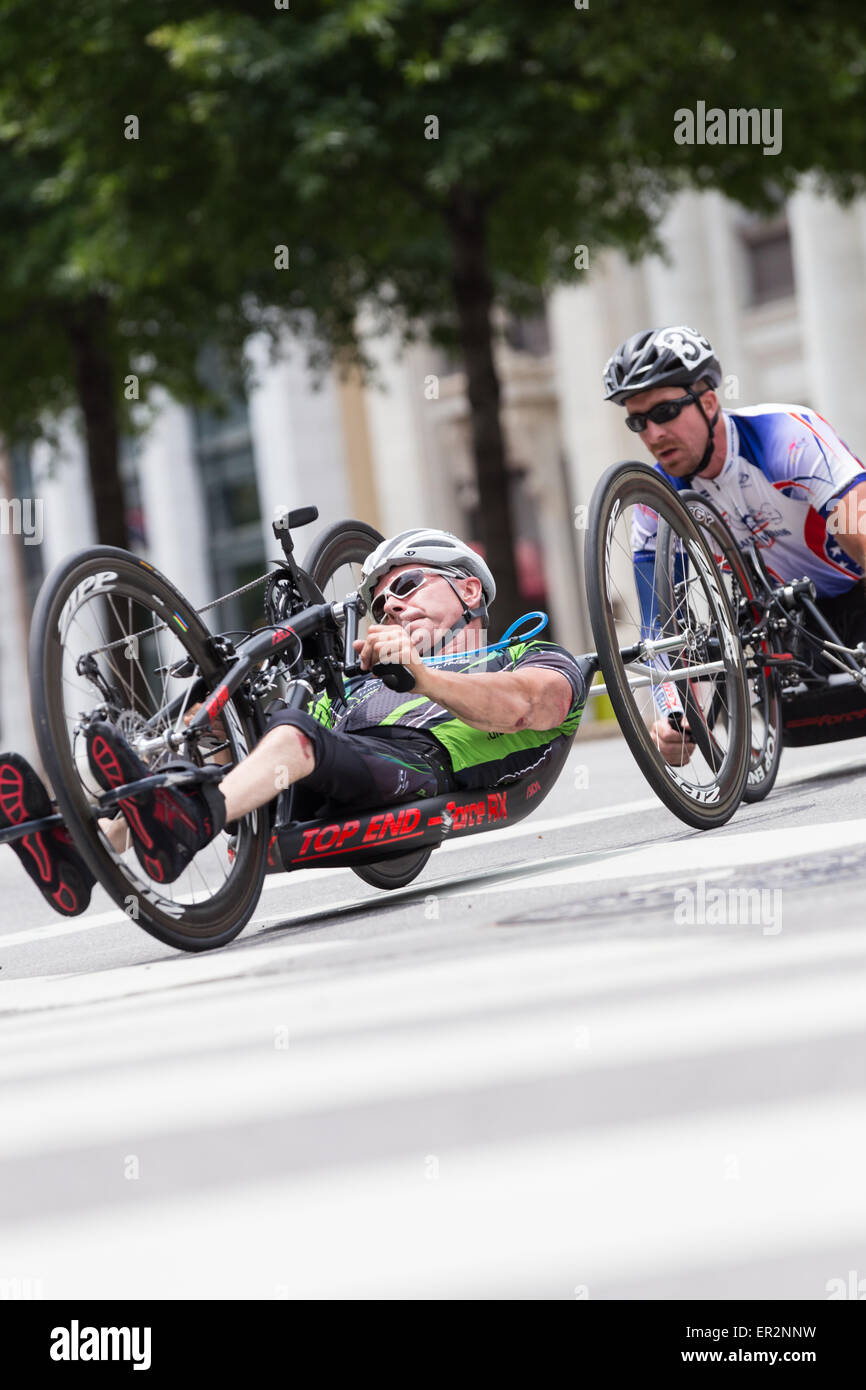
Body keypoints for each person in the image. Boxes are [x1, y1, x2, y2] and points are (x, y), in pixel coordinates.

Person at [0, 529, 587, 917]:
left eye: (406, 586)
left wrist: (423, 677)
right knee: (220, 746)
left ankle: (185, 827)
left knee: (296, 737)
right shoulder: (362, 683)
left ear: (465, 586)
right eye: (380, 605)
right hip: (323, 771)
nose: (392, 607)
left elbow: (530, 706)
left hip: (417, 764)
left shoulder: (525, 657)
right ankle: (81, 849)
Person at [602, 325, 866, 763]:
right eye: (637, 421)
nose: (651, 433)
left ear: (708, 403)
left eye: (665, 412)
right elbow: (656, 627)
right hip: (796, 627)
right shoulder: (655, 501)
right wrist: (672, 714)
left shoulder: (784, 435)